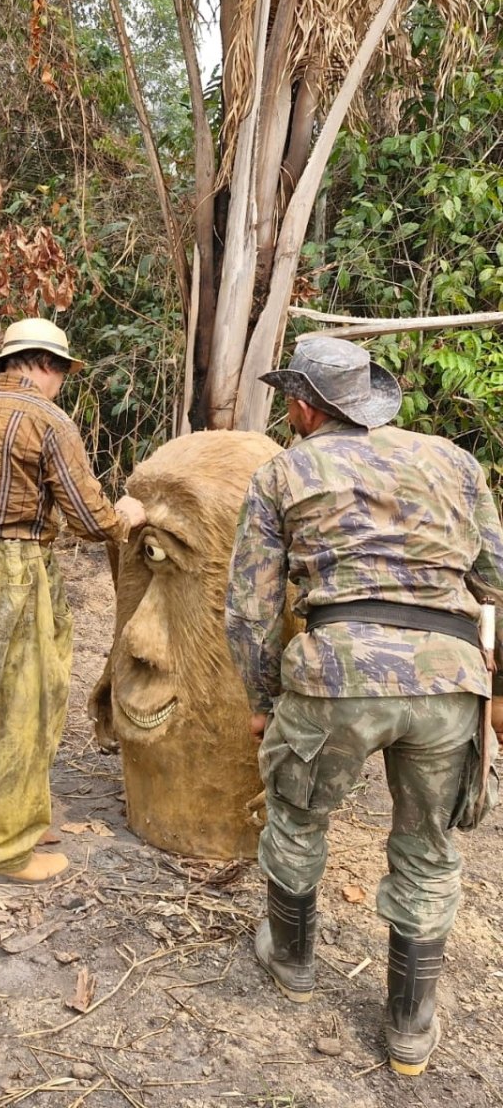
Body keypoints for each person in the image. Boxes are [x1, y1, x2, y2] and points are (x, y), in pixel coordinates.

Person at [225, 335, 503, 1077]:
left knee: (297, 816)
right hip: (449, 677)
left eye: (290, 397)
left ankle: (292, 965)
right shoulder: (454, 461)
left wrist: (261, 699)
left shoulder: (282, 472)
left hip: (336, 675)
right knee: (430, 847)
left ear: (304, 406)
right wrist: (497, 693)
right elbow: (499, 579)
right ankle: (409, 1030)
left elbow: (248, 608)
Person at [0, 318, 145, 885]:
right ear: (49, 366)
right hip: (14, 565)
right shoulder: (49, 419)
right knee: (23, 701)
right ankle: (5, 847)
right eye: (62, 370)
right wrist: (124, 519)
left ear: (5, 362)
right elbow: (89, 518)